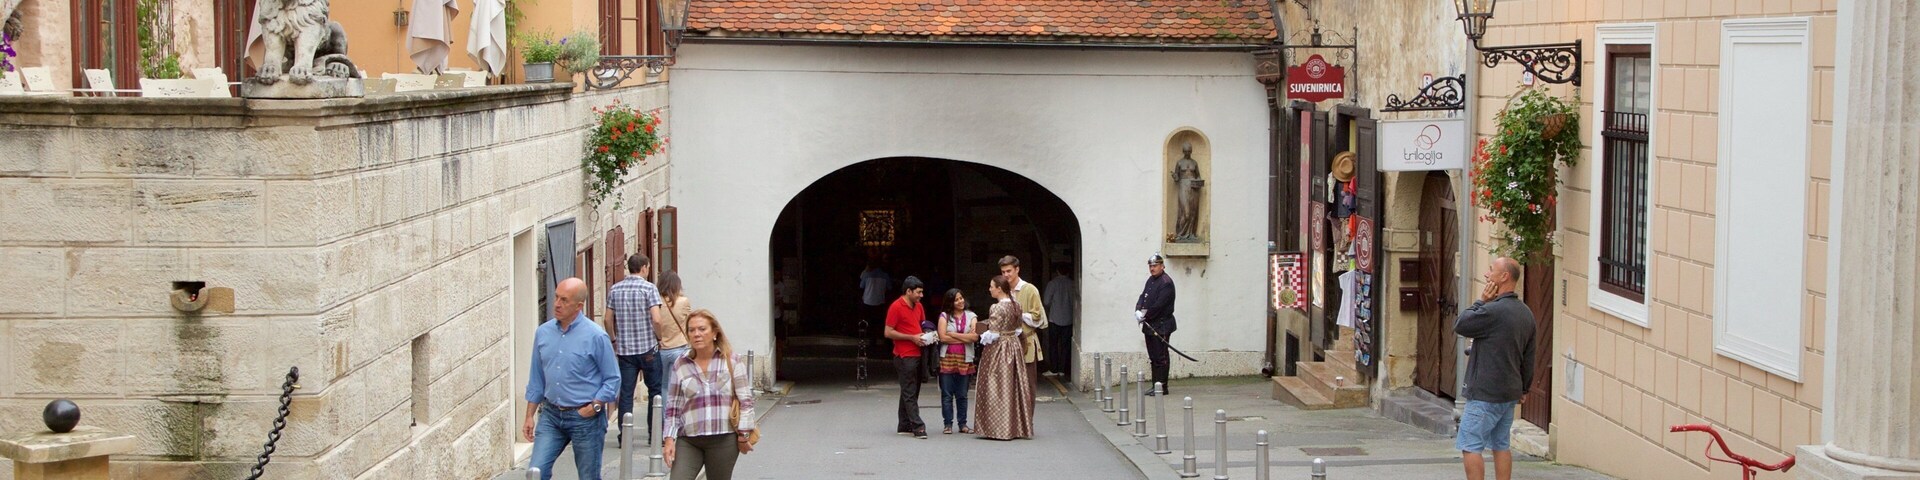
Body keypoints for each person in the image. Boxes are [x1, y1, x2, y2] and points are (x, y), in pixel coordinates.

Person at [524, 278, 621, 480]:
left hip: (585, 418)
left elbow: (612, 379)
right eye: (556, 297)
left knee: (588, 476)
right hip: (551, 415)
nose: (557, 304)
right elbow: (536, 377)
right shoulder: (543, 333)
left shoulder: (596, 336)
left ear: (579, 306)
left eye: (564, 300)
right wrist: (529, 415)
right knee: (535, 472)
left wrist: (594, 406)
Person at [1454, 257, 1537, 480]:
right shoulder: (1526, 313)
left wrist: (1481, 300)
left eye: (1491, 270)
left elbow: (1461, 324)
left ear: (1504, 277)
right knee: (1501, 444)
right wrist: (1524, 389)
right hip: (1509, 393)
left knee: (1470, 445)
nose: (1487, 275)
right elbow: (1529, 356)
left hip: (1485, 393)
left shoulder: (1492, 311)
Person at [663, 309, 756, 480]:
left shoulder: (731, 360)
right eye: (691, 330)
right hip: (689, 439)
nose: (696, 334)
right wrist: (669, 439)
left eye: (702, 329)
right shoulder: (680, 364)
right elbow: (673, 407)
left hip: (723, 439)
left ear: (714, 332)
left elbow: (746, 402)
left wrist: (743, 435)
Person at [607, 255, 665, 446]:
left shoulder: (615, 289)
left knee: (626, 394)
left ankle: (625, 436)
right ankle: (655, 433)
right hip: (648, 348)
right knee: (655, 391)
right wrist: (659, 337)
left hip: (625, 351)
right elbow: (656, 319)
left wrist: (614, 339)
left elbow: (607, 319)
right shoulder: (649, 288)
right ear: (644, 268)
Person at [974, 275, 1035, 440]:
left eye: (991, 286)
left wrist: (981, 335)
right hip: (1013, 346)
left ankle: (997, 428)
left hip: (999, 348)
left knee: (996, 385)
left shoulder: (996, 307)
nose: (989, 289)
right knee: (1012, 385)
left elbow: (993, 333)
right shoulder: (1017, 305)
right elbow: (1017, 330)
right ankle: (1015, 427)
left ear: (999, 289)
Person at [880, 276, 932, 438]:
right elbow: (888, 332)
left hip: (918, 352)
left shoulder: (919, 306)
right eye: (918, 292)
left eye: (922, 292)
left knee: (911, 390)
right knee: (910, 391)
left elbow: (922, 325)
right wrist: (911, 337)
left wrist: (928, 334)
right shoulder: (896, 307)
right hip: (904, 355)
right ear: (908, 291)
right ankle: (918, 426)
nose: (921, 295)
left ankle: (904, 424)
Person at [935, 288, 982, 435]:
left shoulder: (971, 316)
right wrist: (964, 336)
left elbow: (975, 337)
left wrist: (952, 335)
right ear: (950, 302)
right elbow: (942, 338)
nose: (960, 301)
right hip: (947, 358)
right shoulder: (944, 316)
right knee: (947, 394)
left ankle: (963, 424)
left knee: (962, 394)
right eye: (956, 300)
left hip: (965, 358)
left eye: (961, 298)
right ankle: (947, 424)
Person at [997, 256, 1047, 384]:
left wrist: (1019, 314)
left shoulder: (1030, 289)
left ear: (1017, 269)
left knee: (1027, 384)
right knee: (1010, 386)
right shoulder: (1004, 290)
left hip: (1026, 342)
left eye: (1009, 271)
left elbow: (1038, 318)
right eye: (1003, 272)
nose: (1006, 275)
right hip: (1008, 344)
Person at [1135, 254, 1176, 396]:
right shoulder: (1151, 280)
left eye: (1155, 265)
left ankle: (1162, 386)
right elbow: (1143, 296)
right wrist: (1138, 309)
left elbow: (1159, 305)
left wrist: (1145, 315)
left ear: (1162, 266)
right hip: (1150, 324)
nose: (1152, 268)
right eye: (1151, 266)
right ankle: (1155, 385)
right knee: (1153, 357)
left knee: (1161, 357)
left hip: (1161, 324)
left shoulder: (1166, 283)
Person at [655, 270, 693, 401]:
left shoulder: (656, 302)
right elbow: (689, 322)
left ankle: (666, 417)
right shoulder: (683, 302)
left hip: (661, 348)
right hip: (679, 347)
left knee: (664, 385)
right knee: (678, 385)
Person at [1042, 265, 1077, 376]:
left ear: (1057, 271)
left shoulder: (1052, 283)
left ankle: (1053, 369)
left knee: (1053, 345)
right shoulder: (1072, 284)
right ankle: (1063, 369)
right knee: (1066, 345)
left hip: (1054, 318)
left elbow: (1046, 301)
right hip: (1069, 319)